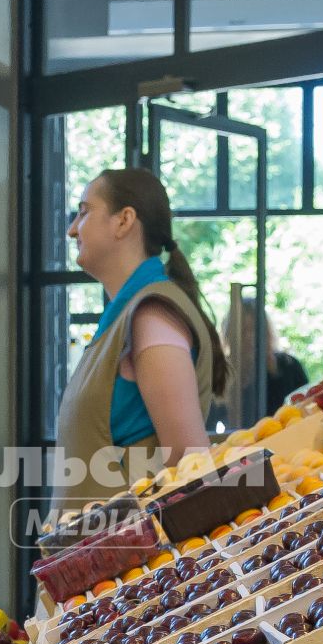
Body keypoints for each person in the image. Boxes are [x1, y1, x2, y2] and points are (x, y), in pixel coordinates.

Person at [55, 167, 229, 508]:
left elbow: (188, 462)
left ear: (124, 221)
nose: (72, 229)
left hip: (135, 556)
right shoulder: (128, 313)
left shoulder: (152, 314)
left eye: (85, 211)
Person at [230, 304, 310, 419]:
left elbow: (306, 406)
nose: (249, 337)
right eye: (243, 330)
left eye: (254, 329)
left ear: (265, 332)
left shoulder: (289, 365)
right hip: (242, 436)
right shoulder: (226, 370)